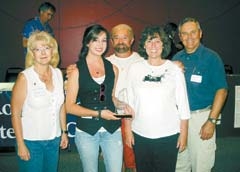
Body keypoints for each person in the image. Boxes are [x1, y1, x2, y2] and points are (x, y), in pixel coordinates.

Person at [124, 25, 190, 172]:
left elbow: (183, 104)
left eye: (157, 41)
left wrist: (184, 134)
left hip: (168, 135)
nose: (153, 45)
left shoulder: (175, 70)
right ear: (144, 45)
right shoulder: (135, 69)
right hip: (140, 134)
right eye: (149, 41)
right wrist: (128, 130)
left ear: (164, 45)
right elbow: (129, 102)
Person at [65, 24, 123, 172]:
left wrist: (122, 105)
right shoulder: (77, 70)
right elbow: (69, 106)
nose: (100, 44)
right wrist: (98, 113)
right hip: (86, 131)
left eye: (104, 40)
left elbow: (110, 97)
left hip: (112, 130)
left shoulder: (113, 69)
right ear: (87, 42)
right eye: (95, 40)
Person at [174, 17, 228, 172]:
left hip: (201, 119)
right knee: (180, 165)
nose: (189, 37)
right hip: (180, 120)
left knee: (201, 166)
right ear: (180, 36)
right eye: (184, 33)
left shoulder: (211, 58)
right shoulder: (176, 58)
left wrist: (211, 120)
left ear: (200, 33)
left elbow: (222, 90)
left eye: (193, 32)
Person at [11, 31, 68, 172]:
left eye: (47, 48)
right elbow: (15, 114)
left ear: (53, 51)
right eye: (38, 49)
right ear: (32, 53)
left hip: (53, 140)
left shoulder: (57, 74)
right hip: (31, 142)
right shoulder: (25, 77)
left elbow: (61, 106)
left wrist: (64, 132)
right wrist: (20, 144)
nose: (43, 52)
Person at [106, 24, 143, 172]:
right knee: (116, 161)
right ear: (112, 41)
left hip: (136, 118)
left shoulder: (142, 62)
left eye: (125, 37)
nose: (120, 41)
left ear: (132, 40)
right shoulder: (105, 62)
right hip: (112, 117)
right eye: (116, 37)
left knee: (135, 161)